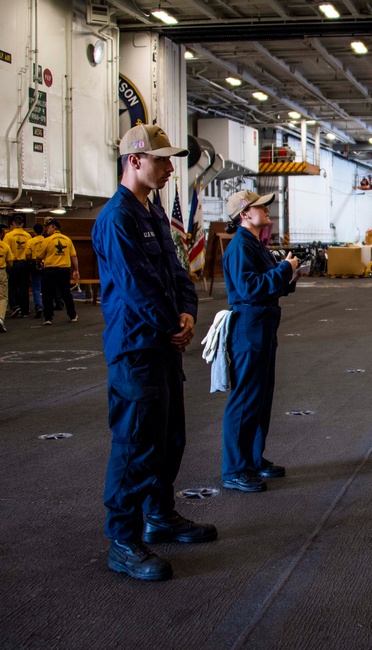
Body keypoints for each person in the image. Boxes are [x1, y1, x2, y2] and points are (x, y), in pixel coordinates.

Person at [92, 124, 214, 582]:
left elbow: (178, 270)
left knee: (169, 439)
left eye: (169, 160)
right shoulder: (117, 218)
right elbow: (137, 287)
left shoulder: (154, 213)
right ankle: (123, 541)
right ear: (134, 161)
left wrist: (187, 312)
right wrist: (171, 325)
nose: (168, 168)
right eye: (161, 160)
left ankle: (159, 515)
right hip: (137, 349)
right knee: (135, 446)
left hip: (163, 344)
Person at [221, 189, 299, 493]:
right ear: (244, 214)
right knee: (245, 399)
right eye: (260, 207)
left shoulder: (255, 244)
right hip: (249, 326)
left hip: (263, 324)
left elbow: (268, 285)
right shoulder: (241, 246)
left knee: (261, 396)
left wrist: (288, 275)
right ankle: (235, 469)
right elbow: (250, 288)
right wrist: (284, 269)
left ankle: (252, 459)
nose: (267, 210)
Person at [38, 218, 79, 325]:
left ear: (53, 227)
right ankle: (72, 315)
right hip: (64, 270)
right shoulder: (67, 240)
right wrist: (76, 270)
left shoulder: (47, 240)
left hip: (50, 270)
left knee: (48, 294)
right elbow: (73, 256)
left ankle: (48, 318)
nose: (46, 230)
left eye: (48, 227)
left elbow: (39, 255)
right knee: (66, 293)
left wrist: (38, 263)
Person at [5, 215, 33, 319]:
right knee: (24, 287)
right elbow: (30, 251)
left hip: (13, 263)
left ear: (12, 224)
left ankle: (15, 306)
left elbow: (5, 250)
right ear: (22, 224)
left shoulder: (8, 236)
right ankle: (25, 310)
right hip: (25, 264)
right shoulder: (28, 236)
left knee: (12, 286)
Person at [28, 222, 45, 317]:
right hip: (46, 263)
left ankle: (38, 306)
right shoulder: (46, 240)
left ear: (34, 231)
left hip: (35, 263)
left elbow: (27, 254)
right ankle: (47, 305)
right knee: (46, 286)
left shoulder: (31, 241)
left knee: (36, 287)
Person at [0, 234, 10, 332]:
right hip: (1, 271)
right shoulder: (5, 246)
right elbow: (10, 261)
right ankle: (0, 318)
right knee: (2, 297)